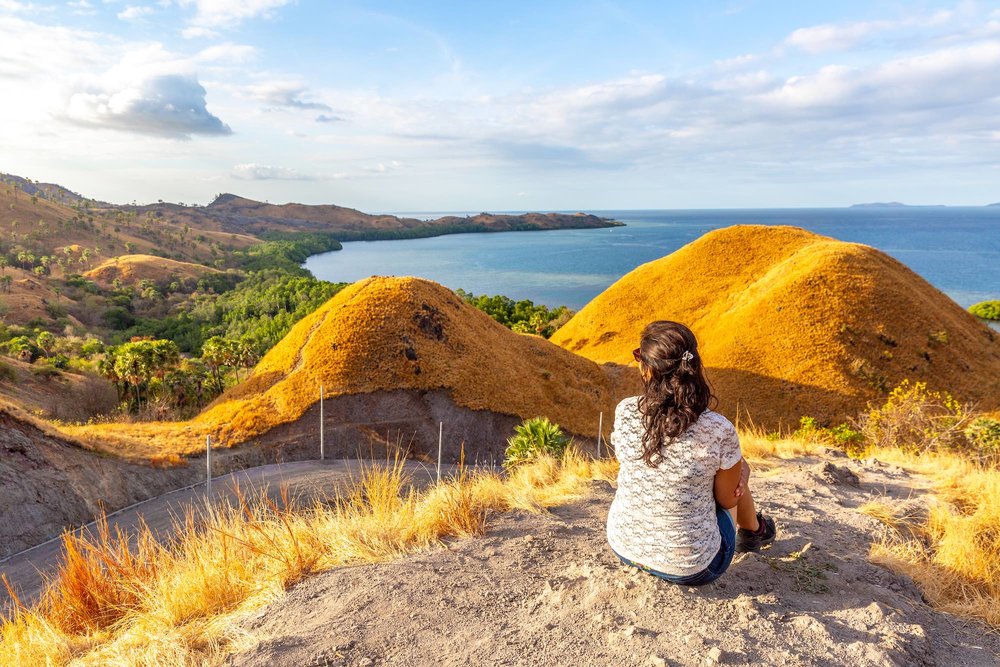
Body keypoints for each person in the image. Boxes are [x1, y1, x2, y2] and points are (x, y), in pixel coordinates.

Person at [606, 320, 776, 586]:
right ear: (692, 365)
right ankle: (755, 531)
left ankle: (755, 530)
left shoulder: (626, 410)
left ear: (648, 369)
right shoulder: (718, 428)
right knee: (738, 468)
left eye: (639, 356)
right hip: (692, 568)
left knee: (717, 470)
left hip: (624, 546)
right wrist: (739, 473)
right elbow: (727, 500)